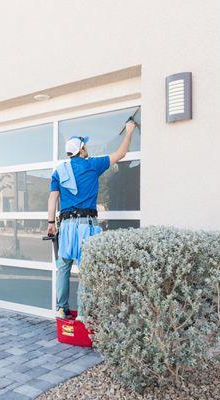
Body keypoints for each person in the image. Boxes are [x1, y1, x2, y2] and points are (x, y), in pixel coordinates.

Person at [48, 120, 136, 319]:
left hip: (66, 225)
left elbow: (53, 198)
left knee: (63, 267)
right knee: (85, 269)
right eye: (84, 145)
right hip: (85, 226)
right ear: (81, 150)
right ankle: (83, 314)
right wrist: (129, 132)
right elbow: (121, 153)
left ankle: (62, 309)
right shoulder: (92, 165)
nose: (87, 148)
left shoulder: (59, 171)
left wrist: (51, 225)